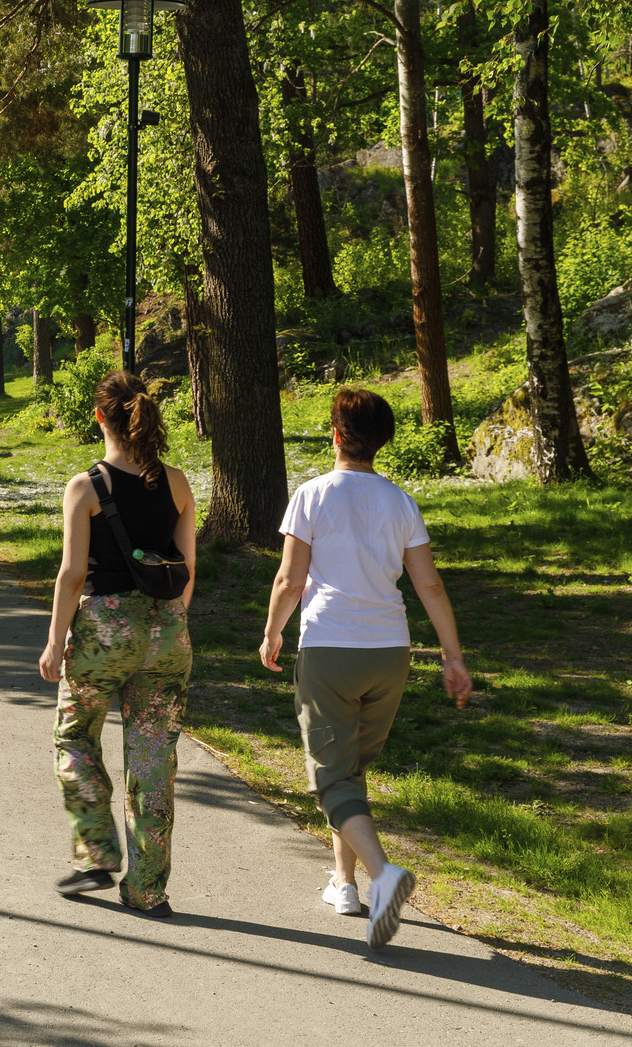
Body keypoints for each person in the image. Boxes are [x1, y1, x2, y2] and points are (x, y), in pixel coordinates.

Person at [260, 387, 470, 950]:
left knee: (331, 778)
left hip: (330, 648)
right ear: (383, 441)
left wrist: (273, 629)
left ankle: (385, 877)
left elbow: (290, 580)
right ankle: (344, 883)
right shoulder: (399, 500)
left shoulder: (312, 495)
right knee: (350, 771)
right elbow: (429, 583)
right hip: (390, 653)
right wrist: (452, 656)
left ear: (335, 435)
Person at [39, 371, 195, 917]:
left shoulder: (85, 487)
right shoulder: (177, 483)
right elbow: (187, 569)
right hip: (168, 633)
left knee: (74, 736)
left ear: (100, 416)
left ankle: (97, 853)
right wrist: (169, 628)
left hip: (104, 633)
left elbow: (72, 574)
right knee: (154, 761)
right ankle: (148, 890)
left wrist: (56, 641)